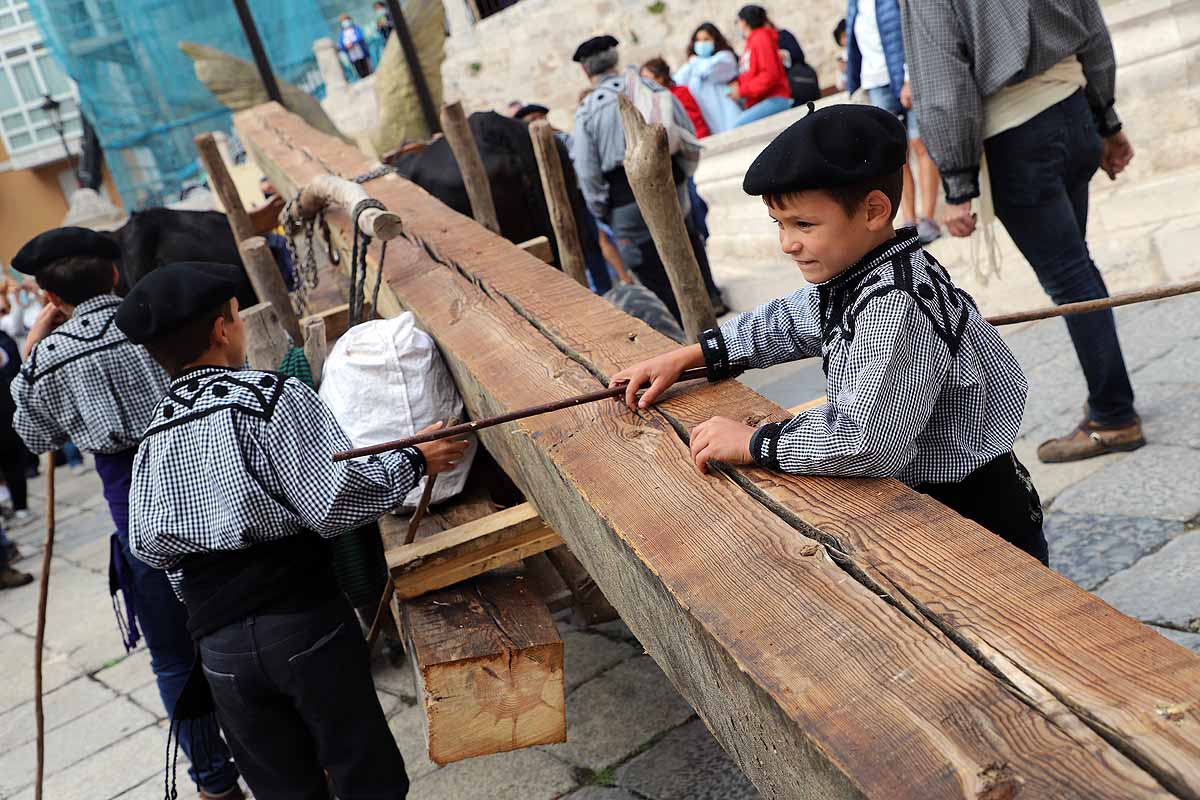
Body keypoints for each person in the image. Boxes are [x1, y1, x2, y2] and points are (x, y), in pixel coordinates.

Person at [611, 104, 1047, 564]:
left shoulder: (895, 306)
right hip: (935, 500)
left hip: (970, 517)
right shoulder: (862, 275)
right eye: (780, 224)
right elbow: (789, 321)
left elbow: (870, 442)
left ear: (874, 211)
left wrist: (755, 443)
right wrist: (691, 356)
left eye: (804, 224)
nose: (787, 243)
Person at [116, 261, 469, 798]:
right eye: (235, 317)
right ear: (221, 329)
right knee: (364, 777)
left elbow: (153, 549)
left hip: (220, 651)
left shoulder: (151, 440)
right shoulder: (272, 398)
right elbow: (332, 502)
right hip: (303, 628)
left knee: (285, 791)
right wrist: (414, 461)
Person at [9, 229, 243, 800]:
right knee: (245, 628)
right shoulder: (158, 317)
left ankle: (214, 780)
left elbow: (35, 434)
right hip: (211, 477)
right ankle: (289, 758)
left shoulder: (51, 356)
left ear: (50, 297)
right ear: (114, 274)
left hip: (139, 515)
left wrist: (32, 350)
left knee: (172, 656)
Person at [904, 0, 1141, 463]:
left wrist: (957, 183)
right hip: (1073, 114)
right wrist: (1106, 119)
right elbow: (1092, 29)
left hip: (1019, 135)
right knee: (1077, 269)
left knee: (1071, 277)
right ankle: (1109, 402)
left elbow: (943, 81)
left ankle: (1114, 416)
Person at [571, 34, 699, 321]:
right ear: (615, 60)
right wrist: (682, 177)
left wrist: (602, 209)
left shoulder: (587, 112)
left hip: (625, 204)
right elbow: (687, 134)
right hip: (671, 187)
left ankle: (680, 331)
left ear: (585, 70)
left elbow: (587, 171)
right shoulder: (650, 87)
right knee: (686, 254)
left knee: (651, 274)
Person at [846, 0, 942, 244]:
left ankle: (928, 218)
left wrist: (909, 76)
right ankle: (909, 220)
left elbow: (910, 33)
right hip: (876, 81)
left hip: (906, 76)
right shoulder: (853, 4)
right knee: (897, 154)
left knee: (921, 143)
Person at [730, 5, 793, 127]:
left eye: (738, 22)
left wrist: (742, 90)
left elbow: (769, 74)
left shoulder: (761, 38)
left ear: (744, 22)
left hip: (774, 98)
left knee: (738, 126)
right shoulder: (753, 41)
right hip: (761, 101)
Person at [674, 23, 742, 135]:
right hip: (707, 118)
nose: (701, 44)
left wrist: (693, 62)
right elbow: (677, 81)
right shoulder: (691, 65)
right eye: (698, 40)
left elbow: (707, 70)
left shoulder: (724, 57)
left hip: (727, 113)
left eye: (706, 39)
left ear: (715, 41)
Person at [0, 323, 32, 525]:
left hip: (3, 412)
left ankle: (20, 505)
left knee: (12, 459)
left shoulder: (2, 338)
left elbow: (8, 361)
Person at [641, 57, 710, 138]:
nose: (644, 82)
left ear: (660, 78)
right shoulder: (653, 100)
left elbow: (695, 122)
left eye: (646, 78)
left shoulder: (680, 93)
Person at [337, 14, 372, 78]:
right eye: (343, 21)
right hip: (352, 55)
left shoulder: (356, 28)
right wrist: (346, 46)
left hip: (361, 51)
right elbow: (341, 45)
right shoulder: (342, 34)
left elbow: (360, 37)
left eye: (346, 20)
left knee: (366, 67)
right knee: (358, 68)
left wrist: (352, 43)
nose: (345, 22)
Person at [833, 19, 849, 92]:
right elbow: (840, 86)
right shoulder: (841, 57)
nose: (845, 40)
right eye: (843, 37)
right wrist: (842, 71)